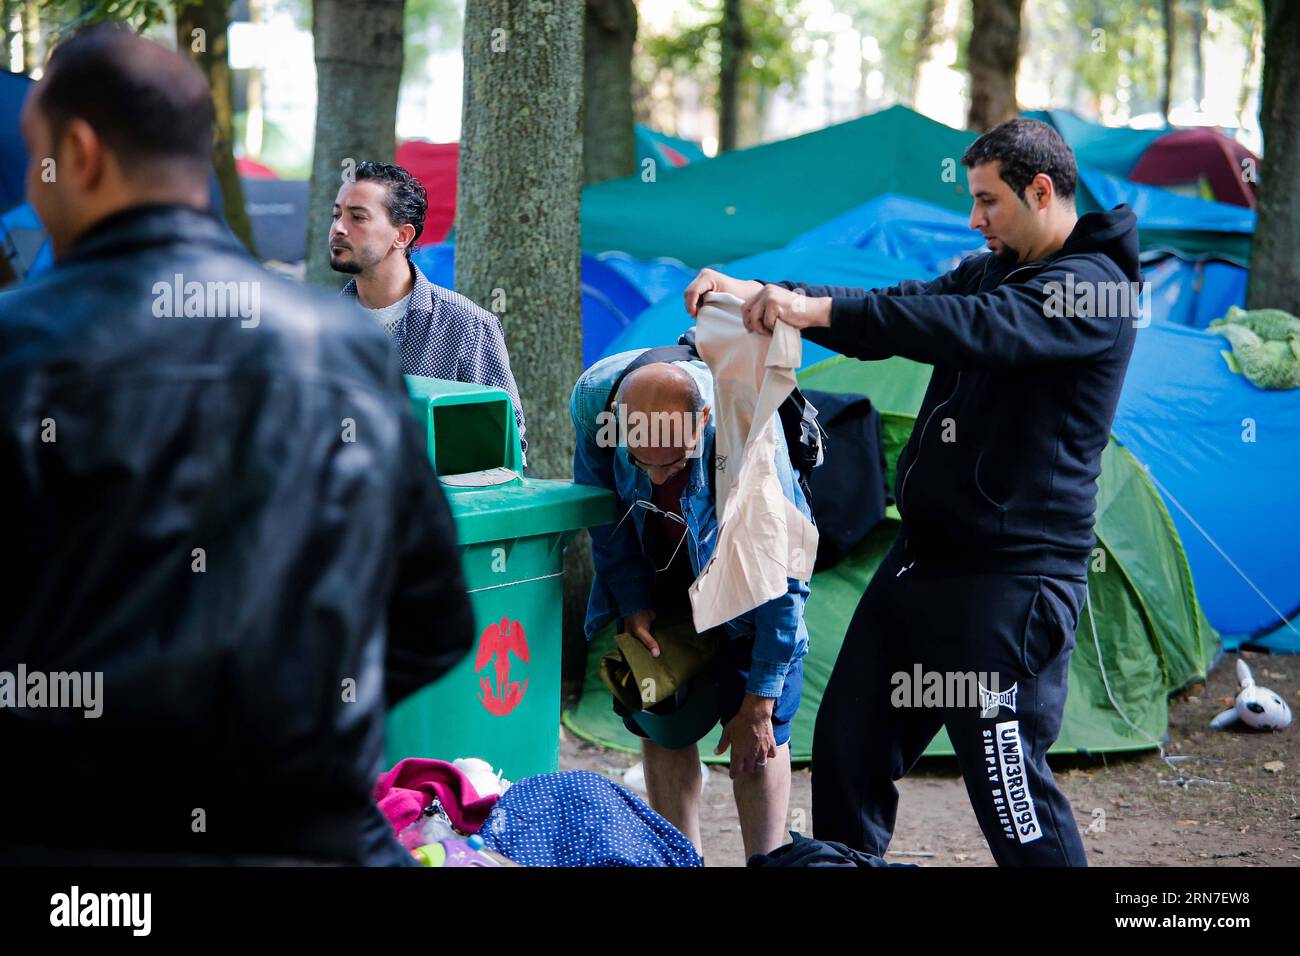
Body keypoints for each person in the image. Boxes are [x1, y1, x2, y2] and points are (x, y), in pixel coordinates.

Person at [0, 24, 475, 865]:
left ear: (79, 153)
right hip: (309, 831)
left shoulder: (21, 352)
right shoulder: (343, 350)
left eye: (35, 160)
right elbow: (434, 619)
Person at [683, 118, 1142, 866]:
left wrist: (808, 311)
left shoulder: (1093, 291)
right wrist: (769, 296)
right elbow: (901, 315)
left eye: (989, 201)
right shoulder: (994, 270)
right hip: (921, 564)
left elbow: (975, 329)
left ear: (1042, 190)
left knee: (1009, 793)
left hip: (1010, 582)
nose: (975, 219)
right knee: (849, 749)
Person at [571, 351, 811, 859]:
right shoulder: (595, 400)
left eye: (676, 463)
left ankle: (765, 863)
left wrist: (761, 701)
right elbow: (604, 513)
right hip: (659, 562)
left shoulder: (748, 427)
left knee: (757, 737)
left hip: (748, 572)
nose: (659, 481)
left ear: (703, 417)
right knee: (661, 715)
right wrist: (632, 601)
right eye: (642, 463)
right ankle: (677, 858)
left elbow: (785, 579)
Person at [329, 160, 527, 461]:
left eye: (358, 217)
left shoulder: (468, 325)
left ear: (402, 236)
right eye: (337, 215)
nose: (339, 228)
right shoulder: (319, 326)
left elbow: (505, 444)